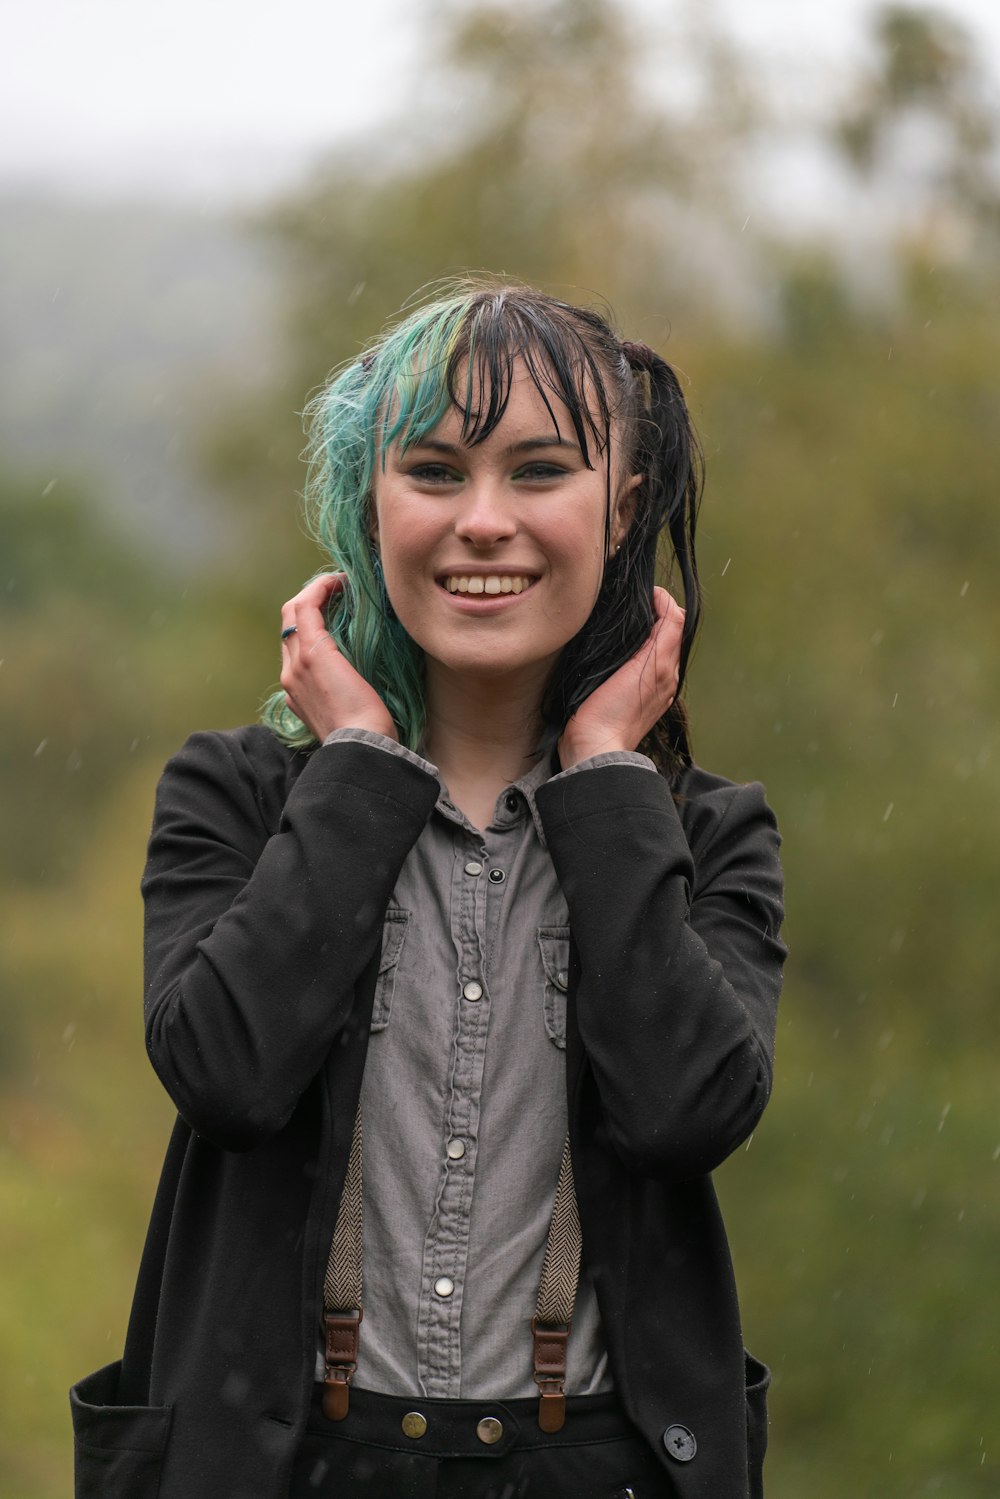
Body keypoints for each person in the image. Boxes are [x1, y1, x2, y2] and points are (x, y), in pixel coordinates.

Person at [70, 279, 786, 1499]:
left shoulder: (704, 831)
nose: (485, 520)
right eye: (436, 471)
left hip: (597, 1467)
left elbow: (688, 1110)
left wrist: (608, 775)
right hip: (289, 1466)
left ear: (618, 511)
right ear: (372, 500)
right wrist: (354, 763)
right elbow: (227, 1073)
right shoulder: (236, 795)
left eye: (540, 470)